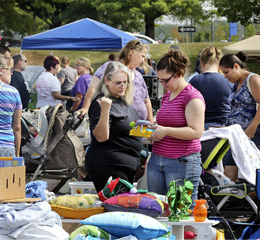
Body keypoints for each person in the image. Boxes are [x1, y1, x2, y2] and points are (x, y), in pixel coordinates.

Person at [146, 49, 205, 207]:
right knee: (158, 209)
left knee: (180, 212)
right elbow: (166, 124)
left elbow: (197, 131)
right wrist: (153, 131)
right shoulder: (168, 95)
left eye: (165, 80)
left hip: (181, 161)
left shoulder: (192, 97)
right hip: (158, 158)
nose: (163, 85)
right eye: (160, 81)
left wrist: (165, 131)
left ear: (178, 73)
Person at [85, 61, 142, 192]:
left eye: (125, 82)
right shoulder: (101, 102)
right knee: (116, 206)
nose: (123, 86)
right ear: (106, 80)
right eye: (118, 83)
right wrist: (105, 110)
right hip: (108, 165)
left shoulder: (123, 100)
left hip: (126, 165)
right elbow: (100, 137)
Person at [78, 39, 153, 123]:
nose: (143, 60)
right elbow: (93, 88)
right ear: (132, 52)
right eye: (142, 56)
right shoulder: (110, 67)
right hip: (119, 123)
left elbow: (146, 99)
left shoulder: (138, 75)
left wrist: (150, 121)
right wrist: (85, 108)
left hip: (140, 128)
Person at [220, 52, 260, 162]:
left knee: (255, 175)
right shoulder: (236, 83)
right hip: (237, 137)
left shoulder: (253, 79)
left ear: (236, 66)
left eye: (226, 72)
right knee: (229, 173)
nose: (225, 76)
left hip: (256, 136)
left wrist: (252, 127)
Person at [190, 46, 232, 130]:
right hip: (225, 127)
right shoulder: (229, 80)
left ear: (202, 63)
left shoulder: (194, 81)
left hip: (202, 127)